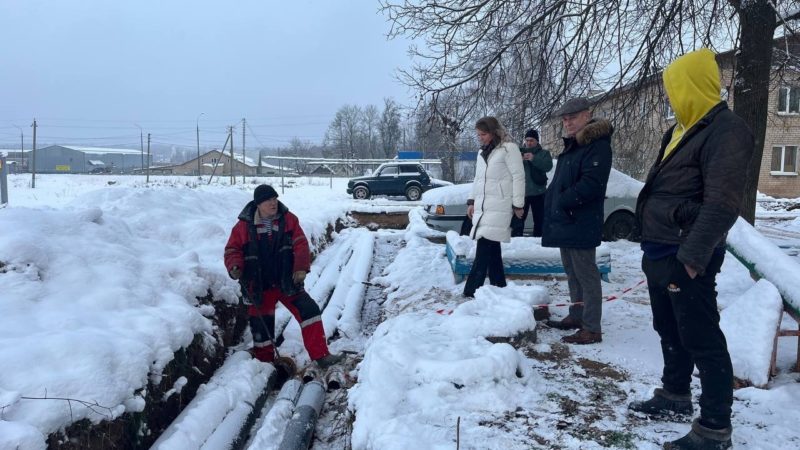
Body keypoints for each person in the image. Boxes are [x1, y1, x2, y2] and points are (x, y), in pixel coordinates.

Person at [629, 49, 753, 450]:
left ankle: (715, 428)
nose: (670, 97)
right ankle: (674, 395)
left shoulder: (726, 130)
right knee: (669, 327)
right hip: (660, 249)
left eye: (675, 88)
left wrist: (694, 259)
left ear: (693, 85)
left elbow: (723, 204)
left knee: (701, 337)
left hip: (687, 253)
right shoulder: (682, 128)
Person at [224, 184, 342, 369]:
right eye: (269, 200)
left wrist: (301, 267)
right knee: (261, 325)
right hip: (259, 284)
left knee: (309, 311)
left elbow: (300, 243)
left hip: (286, 280)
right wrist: (235, 266)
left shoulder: (288, 219)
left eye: (275, 198)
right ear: (258, 204)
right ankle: (265, 364)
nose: (273, 203)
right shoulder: (244, 226)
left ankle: (321, 355)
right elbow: (232, 249)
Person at [542, 97, 613, 345]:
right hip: (567, 222)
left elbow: (591, 184)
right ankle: (576, 315)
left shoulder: (597, 145)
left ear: (587, 115)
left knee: (587, 275)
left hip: (581, 221)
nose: (567, 122)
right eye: (564, 119)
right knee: (572, 273)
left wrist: (561, 200)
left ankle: (592, 327)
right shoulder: (574, 145)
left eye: (572, 117)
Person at [462, 116, 526, 298]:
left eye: (483, 134)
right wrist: (471, 201)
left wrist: (517, 204)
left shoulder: (509, 149)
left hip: (500, 205)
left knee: (483, 248)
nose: (480, 137)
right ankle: (499, 286)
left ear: (494, 132)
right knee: (492, 248)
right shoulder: (482, 152)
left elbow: (518, 176)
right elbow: (478, 180)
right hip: (484, 207)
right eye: (478, 134)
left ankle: (471, 291)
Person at [511, 129, 553, 237]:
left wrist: (534, 159)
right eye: (527, 140)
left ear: (537, 141)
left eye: (532, 140)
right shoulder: (518, 152)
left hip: (539, 193)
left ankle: (540, 244)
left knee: (540, 222)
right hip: (522, 194)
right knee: (517, 223)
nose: (529, 143)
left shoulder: (544, 153)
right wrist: (517, 158)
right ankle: (516, 245)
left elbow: (548, 166)